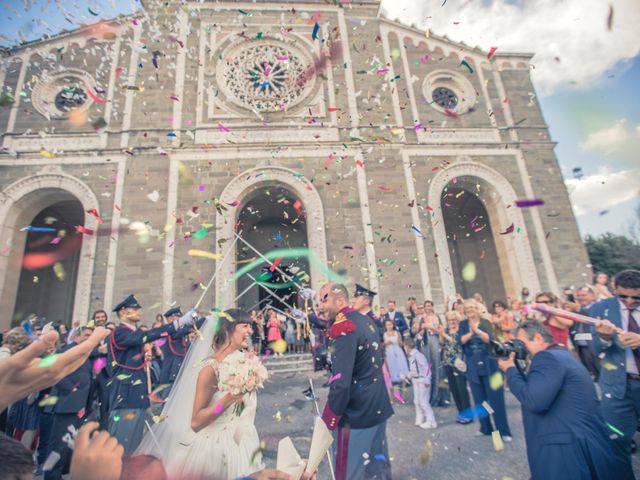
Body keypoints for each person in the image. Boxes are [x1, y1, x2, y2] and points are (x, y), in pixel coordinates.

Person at [137, 309, 264, 479]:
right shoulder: (210, 368)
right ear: (228, 329)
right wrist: (227, 400)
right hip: (216, 450)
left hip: (243, 443)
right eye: (245, 326)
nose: (250, 331)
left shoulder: (244, 362)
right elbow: (196, 422)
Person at [498, 320, 624, 480]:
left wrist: (510, 369)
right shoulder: (561, 355)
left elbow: (534, 400)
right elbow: (538, 390)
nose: (519, 349)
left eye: (520, 343)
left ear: (537, 338)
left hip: (565, 452)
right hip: (579, 443)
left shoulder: (546, 358)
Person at [319, 283, 393, 480]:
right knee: (378, 471)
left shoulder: (343, 326)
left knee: (350, 473)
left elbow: (341, 383)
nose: (321, 305)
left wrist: (329, 418)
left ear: (341, 300)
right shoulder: (365, 320)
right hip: (377, 406)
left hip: (356, 416)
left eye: (324, 299)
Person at [107, 294, 196, 456]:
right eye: (134, 309)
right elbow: (145, 336)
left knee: (133, 448)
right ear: (122, 312)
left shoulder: (132, 333)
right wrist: (178, 324)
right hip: (125, 397)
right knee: (120, 449)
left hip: (137, 395)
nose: (138, 311)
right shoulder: (120, 332)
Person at [592, 269, 640, 479]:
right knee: (616, 442)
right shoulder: (601, 308)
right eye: (623, 296)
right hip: (617, 389)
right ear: (614, 289)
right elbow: (594, 349)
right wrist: (603, 339)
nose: (629, 301)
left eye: (636, 297)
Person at [43, 325, 96, 480]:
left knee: (67, 445)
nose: (89, 338)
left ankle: (59, 474)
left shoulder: (84, 353)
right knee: (58, 445)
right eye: (86, 335)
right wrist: (70, 390)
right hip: (65, 405)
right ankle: (51, 476)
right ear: (76, 337)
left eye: (91, 336)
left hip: (77, 406)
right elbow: (55, 371)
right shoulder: (67, 349)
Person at [458, 299, 512, 441]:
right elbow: (461, 340)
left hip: (489, 363)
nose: (469, 310)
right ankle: (485, 428)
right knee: (479, 400)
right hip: (473, 365)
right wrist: (470, 333)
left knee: (496, 399)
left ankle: (503, 431)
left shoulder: (485, 322)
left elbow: (489, 339)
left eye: (472, 307)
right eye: (467, 308)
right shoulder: (463, 324)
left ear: (477, 309)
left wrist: (476, 330)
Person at [439, 311, 472, 424]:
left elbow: (456, 342)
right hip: (448, 362)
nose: (451, 322)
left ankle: (468, 414)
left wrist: (444, 335)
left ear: (457, 320)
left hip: (459, 363)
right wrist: (441, 334)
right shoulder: (447, 330)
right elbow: (442, 343)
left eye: (453, 320)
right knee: (454, 388)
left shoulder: (461, 331)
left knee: (462, 389)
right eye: (449, 320)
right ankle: (461, 412)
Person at [402, 337, 437, 429]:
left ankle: (431, 421)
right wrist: (407, 376)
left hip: (422, 380)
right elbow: (413, 370)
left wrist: (427, 380)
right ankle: (420, 417)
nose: (404, 349)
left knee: (424, 401)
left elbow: (426, 368)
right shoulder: (410, 356)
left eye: (404, 347)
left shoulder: (418, 355)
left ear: (408, 346)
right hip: (415, 380)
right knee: (417, 401)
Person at [567, 286, 600, 381]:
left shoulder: (598, 307)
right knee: (592, 373)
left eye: (583, 295)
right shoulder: (575, 310)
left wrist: (580, 310)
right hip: (581, 347)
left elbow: (591, 319)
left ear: (592, 296)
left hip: (595, 347)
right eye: (578, 296)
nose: (580, 298)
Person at [383, 319, 409, 383]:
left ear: (393, 325)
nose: (388, 326)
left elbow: (401, 344)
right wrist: (386, 343)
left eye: (390, 325)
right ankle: (394, 379)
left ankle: (403, 378)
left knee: (400, 363)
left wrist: (399, 341)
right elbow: (382, 344)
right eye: (387, 325)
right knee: (392, 364)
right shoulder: (384, 334)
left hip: (397, 350)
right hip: (389, 351)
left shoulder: (397, 333)